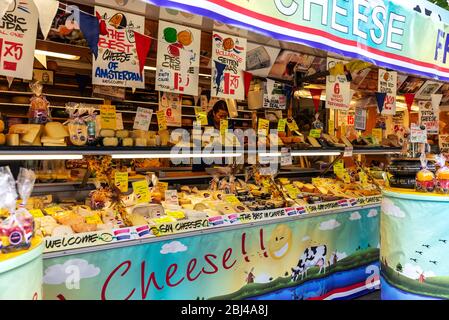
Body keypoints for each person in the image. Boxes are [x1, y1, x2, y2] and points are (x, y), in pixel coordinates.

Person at [192, 100, 233, 171]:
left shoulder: (229, 125)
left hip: (220, 164)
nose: (223, 119)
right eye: (220, 116)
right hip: (202, 163)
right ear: (214, 113)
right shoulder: (203, 120)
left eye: (225, 116)